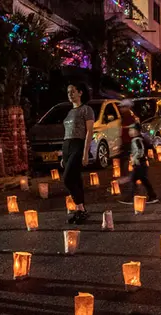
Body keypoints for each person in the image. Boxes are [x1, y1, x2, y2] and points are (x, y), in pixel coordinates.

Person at [62, 83, 95, 224]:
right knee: (75, 179)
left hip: (78, 144)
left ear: (80, 93)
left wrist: (86, 153)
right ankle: (80, 210)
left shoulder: (86, 110)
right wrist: (63, 154)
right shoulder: (70, 112)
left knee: (67, 178)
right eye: (68, 92)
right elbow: (66, 133)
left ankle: (81, 208)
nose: (70, 94)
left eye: (73, 91)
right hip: (67, 146)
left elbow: (89, 132)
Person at [119, 123, 157, 205]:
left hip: (139, 164)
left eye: (131, 130)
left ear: (136, 131)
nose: (129, 132)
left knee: (133, 180)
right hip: (141, 164)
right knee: (144, 180)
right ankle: (152, 196)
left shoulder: (136, 140)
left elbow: (140, 150)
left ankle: (130, 198)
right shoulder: (140, 139)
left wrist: (135, 158)